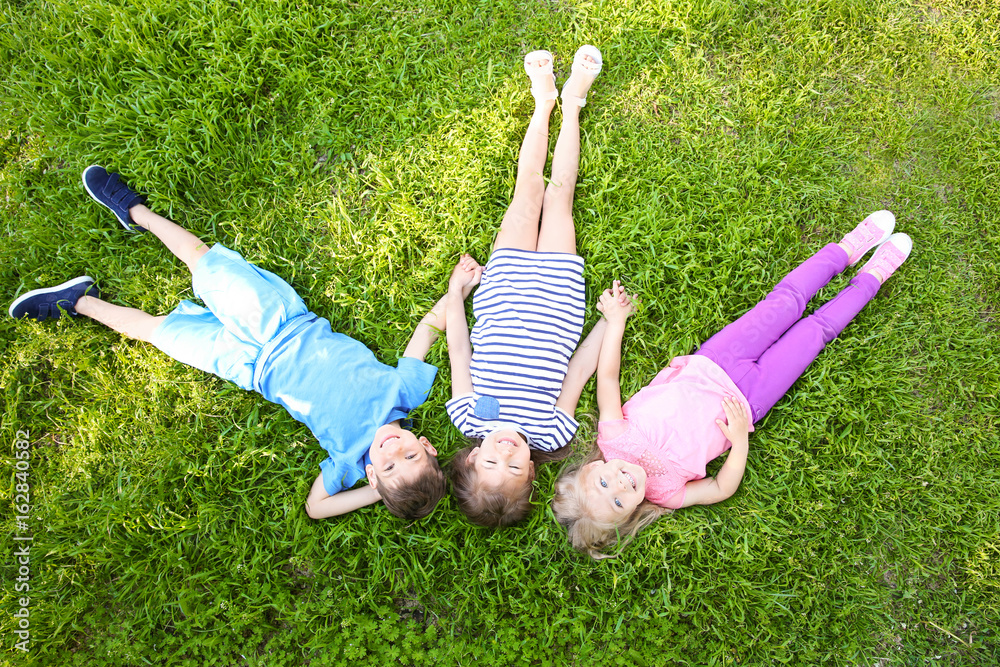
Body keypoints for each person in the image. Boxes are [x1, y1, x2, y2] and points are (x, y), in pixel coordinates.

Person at [8, 166, 478, 520]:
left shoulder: (347, 464)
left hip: (246, 367)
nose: (393, 451)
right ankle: (136, 211)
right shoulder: (405, 393)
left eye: (390, 466)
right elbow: (429, 329)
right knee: (203, 261)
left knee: (158, 333)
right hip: (279, 322)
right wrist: (456, 291)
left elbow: (316, 507)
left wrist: (376, 487)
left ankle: (78, 302)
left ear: (373, 476)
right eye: (410, 455)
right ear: (427, 444)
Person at [551, 211, 913, 557]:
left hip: (717, 359)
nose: (619, 485)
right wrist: (739, 439)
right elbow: (721, 488)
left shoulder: (613, 437)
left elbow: (609, 377)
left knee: (786, 301)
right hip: (752, 397)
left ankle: (846, 249)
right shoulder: (667, 494)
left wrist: (616, 323)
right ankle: (872, 278)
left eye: (603, 484)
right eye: (618, 502)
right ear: (630, 515)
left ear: (591, 469)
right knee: (816, 333)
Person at [444, 45, 611, 527]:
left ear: (472, 459)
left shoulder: (469, 418)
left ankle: (543, 101)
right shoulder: (551, 430)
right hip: (558, 292)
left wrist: (456, 295)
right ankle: (574, 103)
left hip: (506, 283)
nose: (505, 452)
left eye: (491, 461)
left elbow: (459, 349)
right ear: (532, 473)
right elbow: (579, 370)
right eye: (515, 467)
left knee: (528, 188)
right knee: (560, 197)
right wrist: (609, 321)